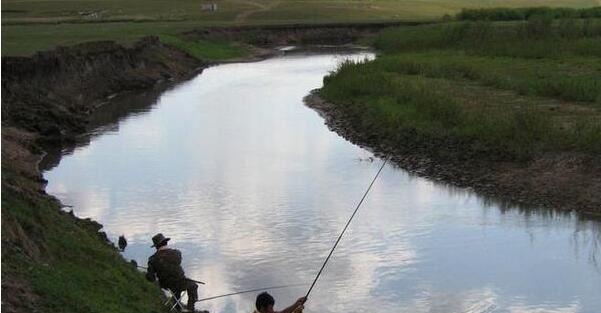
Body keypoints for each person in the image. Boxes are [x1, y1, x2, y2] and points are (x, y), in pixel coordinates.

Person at [146, 233, 201, 312]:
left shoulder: (152, 259)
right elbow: (178, 261)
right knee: (193, 286)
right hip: (179, 281)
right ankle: (190, 309)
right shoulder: (176, 253)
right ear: (166, 242)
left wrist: (150, 274)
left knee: (176, 284)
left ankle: (177, 307)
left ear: (156, 246)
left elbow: (150, 278)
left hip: (165, 284)